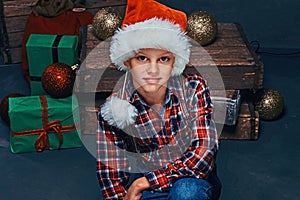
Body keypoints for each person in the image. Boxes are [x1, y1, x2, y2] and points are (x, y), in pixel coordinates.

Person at [96, 0, 222, 199]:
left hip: (192, 179)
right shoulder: (116, 109)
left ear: (174, 63)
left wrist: (144, 182)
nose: (153, 70)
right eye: (142, 58)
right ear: (128, 60)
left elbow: (202, 155)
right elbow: (109, 170)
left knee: (186, 192)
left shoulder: (194, 89)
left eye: (163, 59)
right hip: (150, 187)